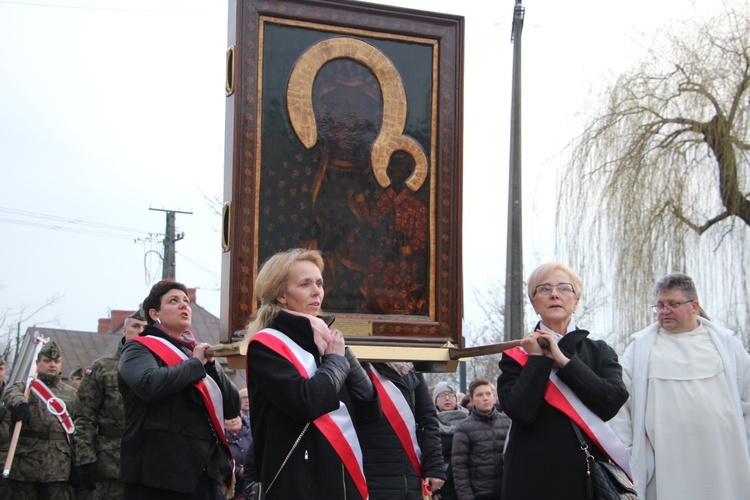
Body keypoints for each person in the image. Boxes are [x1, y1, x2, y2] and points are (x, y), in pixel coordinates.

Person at [244, 248, 380, 499]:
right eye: (305, 284)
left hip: (341, 483)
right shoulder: (266, 346)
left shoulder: (328, 343)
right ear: (282, 295)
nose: (317, 291)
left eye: (319, 283)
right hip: (298, 486)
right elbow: (307, 402)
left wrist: (345, 359)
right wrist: (336, 363)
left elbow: (370, 412)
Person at [610, 273, 750, 499]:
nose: (664, 311)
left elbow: (748, 397)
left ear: (694, 306)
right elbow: (621, 405)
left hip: (724, 457)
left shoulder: (727, 345)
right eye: (660, 305)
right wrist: (627, 455)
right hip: (666, 461)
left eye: (673, 304)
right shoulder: (640, 349)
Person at [497, 262, 629, 499]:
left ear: (576, 301)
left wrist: (563, 361)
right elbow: (520, 411)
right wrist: (537, 359)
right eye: (544, 288)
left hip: (586, 477)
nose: (554, 294)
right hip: (529, 477)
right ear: (534, 302)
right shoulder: (516, 356)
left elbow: (610, 402)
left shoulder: (599, 351)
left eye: (564, 288)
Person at [118, 279, 241, 499]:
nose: (184, 305)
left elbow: (232, 407)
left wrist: (211, 366)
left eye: (186, 301)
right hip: (157, 476)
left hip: (202, 471)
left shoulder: (194, 353)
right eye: (173, 301)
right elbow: (150, 385)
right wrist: (196, 364)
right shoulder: (138, 348)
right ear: (155, 314)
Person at [73, 309, 147, 500]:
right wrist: (85, 458)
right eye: (135, 326)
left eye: (145, 328)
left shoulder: (161, 366)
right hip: (111, 462)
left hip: (148, 462)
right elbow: (84, 417)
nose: (140, 331)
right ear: (124, 331)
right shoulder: (102, 368)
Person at [358, 362, 446, 499]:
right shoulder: (357, 364)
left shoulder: (410, 368)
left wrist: (434, 467)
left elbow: (428, 420)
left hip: (409, 478)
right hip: (369, 476)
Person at [3, 341, 78, 500]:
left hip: (58, 466)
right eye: (47, 361)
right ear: (38, 363)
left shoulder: (72, 394)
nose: (52, 365)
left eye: (56, 361)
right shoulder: (26, 388)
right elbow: (10, 393)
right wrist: (20, 403)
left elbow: (79, 428)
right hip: (25, 463)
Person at [451, 378, 510, 500]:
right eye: (479, 395)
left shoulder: (508, 422)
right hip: (479, 494)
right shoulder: (463, 428)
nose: (485, 398)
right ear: (471, 400)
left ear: (494, 397)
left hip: (506, 492)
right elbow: (459, 468)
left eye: (488, 394)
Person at [431, 381, 468, 500]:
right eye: (442, 395)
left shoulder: (468, 420)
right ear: (435, 401)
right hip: (442, 485)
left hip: (466, 483)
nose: (447, 398)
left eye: (451, 394)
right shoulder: (430, 423)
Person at [223, 416, 252, 500]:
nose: (233, 420)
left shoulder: (250, 434)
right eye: (229, 418)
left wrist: (248, 468)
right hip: (230, 488)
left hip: (249, 485)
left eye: (236, 417)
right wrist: (238, 470)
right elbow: (221, 461)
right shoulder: (221, 439)